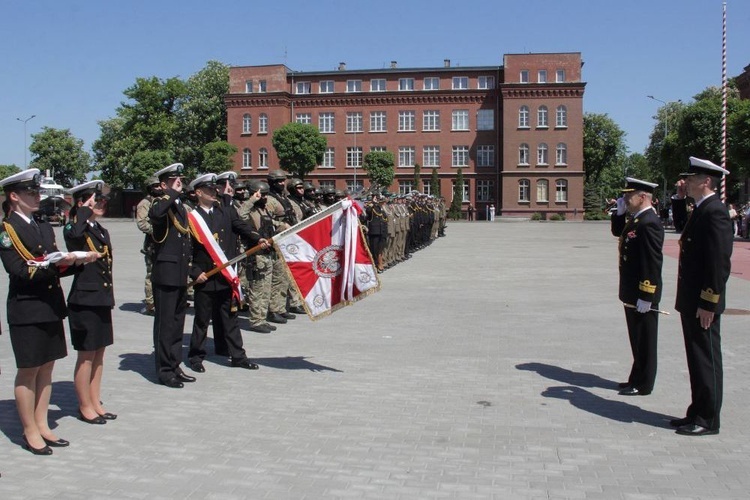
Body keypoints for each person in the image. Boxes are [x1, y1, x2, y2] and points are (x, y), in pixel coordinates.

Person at [0, 169, 97, 455]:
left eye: (37, 192)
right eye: (30, 193)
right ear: (14, 196)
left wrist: (77, 262)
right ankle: (29, 429)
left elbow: (53, 263)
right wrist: (58, 264)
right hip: (27, 308)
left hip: (50, 306)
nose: (37, 197)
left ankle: (42, 424)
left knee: (47, 368)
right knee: (28, 371)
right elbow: (19, 271)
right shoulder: (7, 230)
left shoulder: (42, 225)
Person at [671, 157, 733, 436]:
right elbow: (681, 226)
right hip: (691, 299)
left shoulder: (715, 211)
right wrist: (679, 197)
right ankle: (697, 410)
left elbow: (719, 262)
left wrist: (709, 302)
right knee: (695, 357)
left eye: (692, 178)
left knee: (706, 356)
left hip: (703, 301)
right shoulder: (701, 208)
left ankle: (708, 419)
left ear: (706, 181)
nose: (687, 181)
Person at [186, 174, 267, 372]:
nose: (215, 192)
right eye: (209, 189)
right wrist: (194, 272)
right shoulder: (191, 218)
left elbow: (241, 227)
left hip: (225, 276)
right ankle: (196, 357)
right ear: (198, 192)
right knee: (202, 320)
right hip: (205, 276)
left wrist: (257, 239)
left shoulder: (226, 211)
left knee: (231, 319)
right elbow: (185, 249)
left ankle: (238, 356)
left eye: (215, 189)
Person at [64, 181, 117, 424]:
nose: (102, 204)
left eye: (104, 200)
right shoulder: (74, 227)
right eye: (97, 200)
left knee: (99, 354)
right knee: (86, 356)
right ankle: (84, 405)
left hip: (101, 298)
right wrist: (83, 210)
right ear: (82, 202)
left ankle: (95, 401)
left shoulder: (100, 229)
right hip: (84, 301)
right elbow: (74, 237)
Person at [610, 178, 664, 397]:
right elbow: (618, 232)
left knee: (645, 340)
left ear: (642, 197)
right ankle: (636, 376)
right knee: (637, 338)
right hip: (632, 290)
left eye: (628, 196)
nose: (625, 198)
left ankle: (644, 383)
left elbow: (652, 262)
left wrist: (647, 294)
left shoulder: (649, 222)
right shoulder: (637, 219)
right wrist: (619, 213)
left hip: (643, 292)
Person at [148, 162, 196, 389]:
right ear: (163, 184)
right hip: (165, 274)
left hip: (179, 273)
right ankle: (164, 370)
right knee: (165, 324)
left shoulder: (179, 205)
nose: (180, 182)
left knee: (177, 323)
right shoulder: (160, 203)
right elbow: (156, 216)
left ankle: (175, 365)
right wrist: (170, 195)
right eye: (174, 180)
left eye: (180, 179)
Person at [136, 176, 162, 315]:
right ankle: (151, 303)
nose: (158, 188)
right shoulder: (145, 203)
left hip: (163, 243)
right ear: (150, 188)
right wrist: (158, 231)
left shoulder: (162, 201)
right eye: (155, 186)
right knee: (151, 274)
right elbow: (142, 223)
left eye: (159, 185)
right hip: (152, 243)